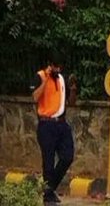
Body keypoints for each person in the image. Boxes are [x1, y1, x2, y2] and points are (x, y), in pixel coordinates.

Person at [32, 58, 75, 203]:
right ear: (49, 65)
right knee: (48, 162)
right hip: (46, 125)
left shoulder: (62, 78)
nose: (58, 70)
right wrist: (46, 80)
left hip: (62, 124)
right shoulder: (40, 76)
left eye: (59, 67)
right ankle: (48, 197)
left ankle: (49, 189)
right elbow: (35, 97)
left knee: (67, 156)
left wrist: (73, 89)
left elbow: (71, 102)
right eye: (55, 67)